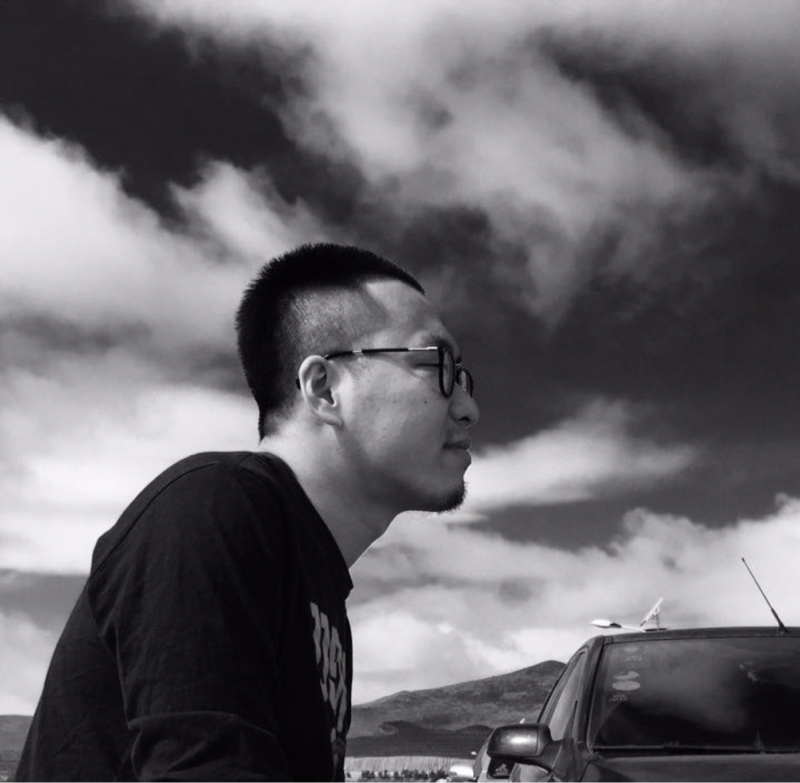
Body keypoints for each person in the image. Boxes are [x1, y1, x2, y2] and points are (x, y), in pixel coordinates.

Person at [16, 243, 480, 781]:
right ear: (325, 388)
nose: (468, 407)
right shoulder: (211, 508)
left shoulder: (317, 591)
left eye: (463, 377)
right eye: (437, 365)